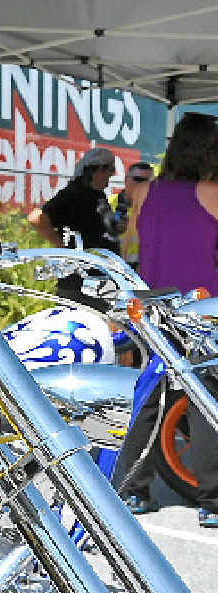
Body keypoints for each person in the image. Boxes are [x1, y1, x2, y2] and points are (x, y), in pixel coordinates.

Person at [117, 112, 218, 526]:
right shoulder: (212, 192)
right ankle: (212, 500)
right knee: (205, 398)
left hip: (155, 306)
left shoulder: (146, 192)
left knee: (148, 399)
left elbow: (128, 250)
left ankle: (132, 489)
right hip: (202, 308)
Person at [28, 147, 121, 309]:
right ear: (96, 170)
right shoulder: (73, 194)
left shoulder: (98, 195)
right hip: (79, 284)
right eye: (110, 169)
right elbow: (36, 218)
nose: (112, 174)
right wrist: (61, 246)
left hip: (100, 280)